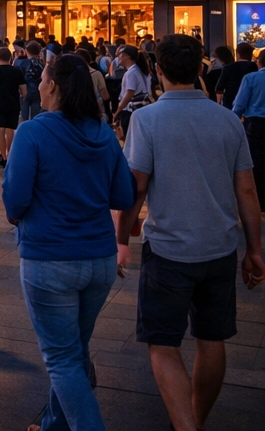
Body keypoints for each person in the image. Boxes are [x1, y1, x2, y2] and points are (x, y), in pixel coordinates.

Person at [118, 34, 264, 431]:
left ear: (158, 71)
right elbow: (247, 190)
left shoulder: (147, 120)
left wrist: (122, 236)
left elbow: (137, 186)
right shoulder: (228, 120)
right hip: (219, 246)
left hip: (167, 248)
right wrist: (255, 249)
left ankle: (186, 426)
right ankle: (196, 417)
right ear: (202, 69)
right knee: (211, 338)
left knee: (163, 343)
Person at [2, 54, 135, 431]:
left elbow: (14, 199)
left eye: (43, 80)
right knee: (74, 350)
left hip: (49, 259)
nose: (39, 87)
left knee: (62, 360)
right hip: (99, 259)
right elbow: (123, 195)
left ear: (54, 86)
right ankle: (54, 425)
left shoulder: (33, 131)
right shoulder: (103, 133)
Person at [232, 52, 265, 206]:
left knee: (256, 163)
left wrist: (232, 122)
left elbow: (239, 105)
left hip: (256, 125)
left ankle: (261, 201)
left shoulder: (251, 78)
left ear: (259, 62)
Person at [0, 46, 27, 166]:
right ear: (10, 57)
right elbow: (24, 91)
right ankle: (10, 155)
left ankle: (3, 156)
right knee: (10, 130)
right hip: (13, 104)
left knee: (0, 131)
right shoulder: (16, 71)